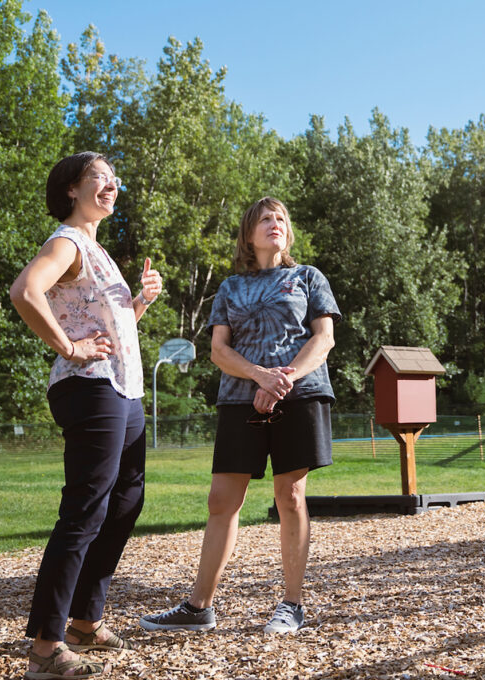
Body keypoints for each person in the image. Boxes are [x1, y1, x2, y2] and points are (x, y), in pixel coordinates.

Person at [141, 197, 339, 636]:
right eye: (266, 218)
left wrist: (281, 380)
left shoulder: (307, 277)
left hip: (299, 394)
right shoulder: (230, 287)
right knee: (221, 501)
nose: (275, 224)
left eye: (282, 218)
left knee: (290, 496)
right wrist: (258, 377)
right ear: (249, 233)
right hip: (238, 399)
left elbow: (323, 339)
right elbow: (218, 351)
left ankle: (292, 605)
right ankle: (198, 607)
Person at [10, 152, 163, 680]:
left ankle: (83, 621)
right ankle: (46, 647)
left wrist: (140, 303)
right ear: (71, 189)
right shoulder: (68, 241)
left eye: (114, 178)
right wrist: (69, 348)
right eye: (99, 177)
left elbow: (109, 323)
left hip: (123, 390)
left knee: (124, 504)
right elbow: (25, 291)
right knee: (85, 513)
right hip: (91, 389)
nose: (111, 184)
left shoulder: (96, 250)